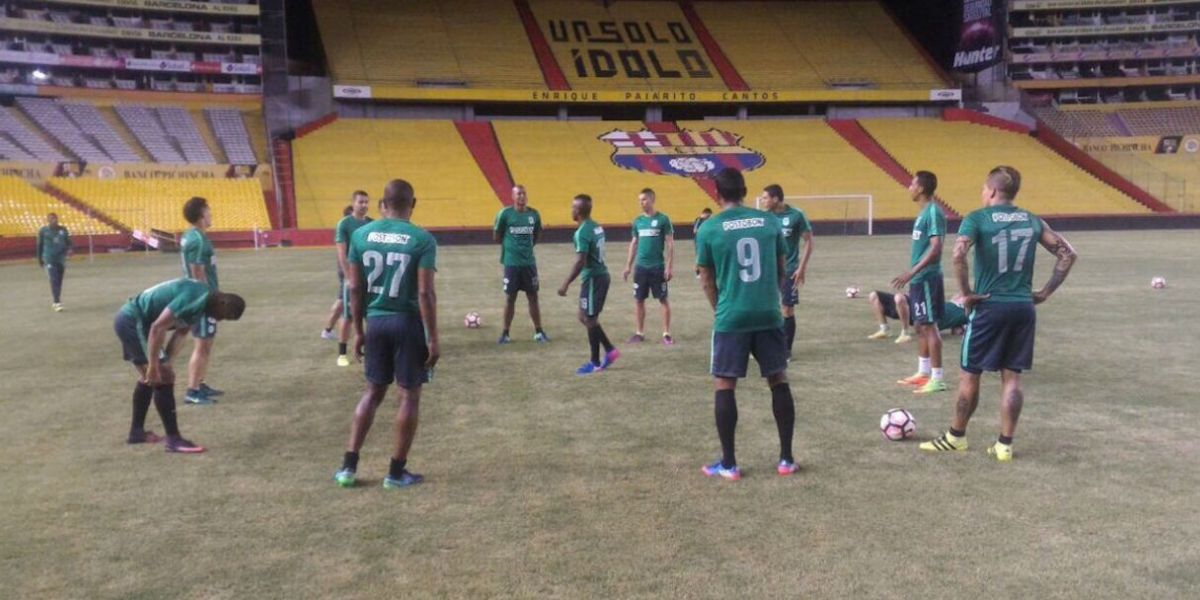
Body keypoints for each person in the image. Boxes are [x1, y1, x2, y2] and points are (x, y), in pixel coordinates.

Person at [921, 166, 1078, 461]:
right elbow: (1068, 254)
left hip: (989, 308)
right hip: (1022, 308)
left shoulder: (977, 219)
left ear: (992, 191)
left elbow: (957, 254)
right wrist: (1044, 292)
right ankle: (1005, 444)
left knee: (970, 374)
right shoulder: (1031, 219)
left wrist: (966, 293)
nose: (982, 193)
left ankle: (956, 437)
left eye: (983, 188)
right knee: (1012, 379)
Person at [333, 179, 440, 489]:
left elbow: (354, 286)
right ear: (413, 203)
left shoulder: (361, 235)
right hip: (406, 322)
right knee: (409, 395)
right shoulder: (422, 239)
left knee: (372, 392)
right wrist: (433, 338)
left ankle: (348, 467)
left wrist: (359, 329)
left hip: (376, 322)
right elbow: (425, 293)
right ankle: (395, 472)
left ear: (383, 203)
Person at [695, 168, 797, 481]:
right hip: (768, 314)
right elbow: (782, 268)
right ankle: (786, 459)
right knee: (778, 379)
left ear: (717, 194)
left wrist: (720, 308)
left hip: (732, 316)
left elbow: (706, 279)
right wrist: (768, 298)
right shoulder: (768, 222)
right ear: (744, 190)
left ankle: (729, 464)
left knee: (725, 384)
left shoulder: (709, 228)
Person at [113, 278, 245, 453]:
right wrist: (155, 365)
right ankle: (173, 440)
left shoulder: (203, 302)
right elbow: (157, 328)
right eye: (223, 315)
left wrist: (165, 362)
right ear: (222, 301)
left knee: (158, 376)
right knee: (161, 376)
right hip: (132, 321)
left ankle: (136, 433)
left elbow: (181, 332)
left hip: (136, 322)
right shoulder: (194, 297)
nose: (219, 319)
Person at [892, 171, 948, 395]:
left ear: (922, 188)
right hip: (919, 278)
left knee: (929, 326)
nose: (910, 187)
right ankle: (923, 372)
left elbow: (936, 248)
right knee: (920, 325)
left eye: (913, 183)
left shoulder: (933, 212)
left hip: (926, 277)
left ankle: (937, 378)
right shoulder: (924, 213)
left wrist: (911, 272)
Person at [557, 194, 618, 375]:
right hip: (598, 277)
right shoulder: (596, 226)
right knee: (583, 316)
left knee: (589, 319)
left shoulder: (582, 232)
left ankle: (595, 362)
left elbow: (580, 261)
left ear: (579, 211)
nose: (571, 210)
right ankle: (610, 350)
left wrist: (566, 284)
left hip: (594, 279)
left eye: (573, 207)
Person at [757, 185, 813, 359]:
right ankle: (762, 346)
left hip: (789, 270)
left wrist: (801, 268)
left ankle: (785, 351)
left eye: (765, 197)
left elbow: (809, 242)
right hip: (767, 270)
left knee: (787, 310)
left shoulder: (796, 215)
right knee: (764, 308)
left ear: (775, 199)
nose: (763, 201)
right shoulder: (765, 217)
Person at [180, 197, 224, 405]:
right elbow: (198, 272)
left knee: (206, 344)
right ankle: (192, 390)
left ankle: (200, 382)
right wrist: (209, 299)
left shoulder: (193, 236)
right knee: (202, 345)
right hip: (201, 298)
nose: (211, 214)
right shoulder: (197, 239)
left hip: (197, 296)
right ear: (200, 215)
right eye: (208, 210)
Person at [493, 184, 548, 344]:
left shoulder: (534, 214)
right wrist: (510, 248)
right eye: (518, 194)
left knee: (533, 296)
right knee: (510, 297)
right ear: (513, 196)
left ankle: (539, 331)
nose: (522, 197)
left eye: (524, 194)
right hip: (511, 263)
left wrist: (528, 248)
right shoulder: (505, 214)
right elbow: (497, 236)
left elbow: (538, 233)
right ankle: (505, 333)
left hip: (529, 263)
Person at [621, 188, 674, 345]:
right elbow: (634, 243)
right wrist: (628, 266)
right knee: (639, 300)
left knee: (663, 299)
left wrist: (669, 266)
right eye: (640, 200)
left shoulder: (663, 219)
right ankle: (639, 332)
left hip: (657, 266)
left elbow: (670, 244)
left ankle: (666, 333)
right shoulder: (638, 222)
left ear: (652, 200)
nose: (641, 203)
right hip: (641, 267)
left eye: (644, 199)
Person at [329, 192, 373, 367]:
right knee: (348, 316)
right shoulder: (345, 224)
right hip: (352, 276)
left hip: (368, 276)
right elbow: (342, 252)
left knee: (371, 314)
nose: (363, 205)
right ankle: (341, 354)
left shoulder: (371, 223)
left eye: (366, 202)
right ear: (353, 204)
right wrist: (348, 277)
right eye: (360, 202)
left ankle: (372, 350)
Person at [868, 291, 968, 340]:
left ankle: (905, 333)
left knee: (899, 298)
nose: (958, 295)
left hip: (925, 316)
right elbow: (956, 330)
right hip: (922, 307)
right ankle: (884, 329)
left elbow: (957, 331)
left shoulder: (967, 314)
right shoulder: (951, 304)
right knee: (874, 295)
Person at [321, 204, 354, 342]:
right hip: (346, 268)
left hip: (348, 267)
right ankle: (327, 330)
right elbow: (342, 252)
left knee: (342, 301)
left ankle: (328, 330)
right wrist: (347, 275)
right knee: (342, 301)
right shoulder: (345, 228)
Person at [36, 212, 70, 311]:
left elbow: (68, 242)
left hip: (60, 259)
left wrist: (70, 249)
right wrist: (39, 259)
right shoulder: (43, 231)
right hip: (49, 258)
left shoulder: (63, 230)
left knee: (59, 281)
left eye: (55, 218)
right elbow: (39, 245)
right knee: (54, 279)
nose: (54, 220)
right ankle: (57, 302)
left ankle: (56, 299)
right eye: (51, 219)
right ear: (48, 220)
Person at [693, 208, 712, 277]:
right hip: (699, 242)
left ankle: (705, 272)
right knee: (699, 256)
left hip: (707, 241)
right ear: (706, 213)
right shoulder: (699, 220)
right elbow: (695, 230)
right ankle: (697, 272)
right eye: (709, 215)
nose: (710, 217)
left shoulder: (708, 220)